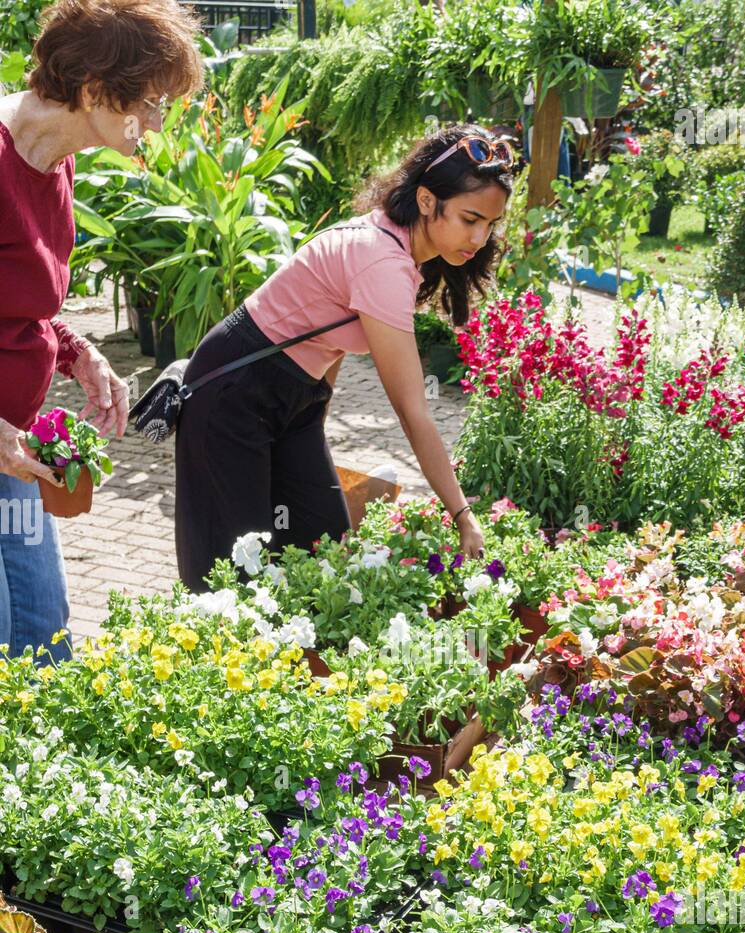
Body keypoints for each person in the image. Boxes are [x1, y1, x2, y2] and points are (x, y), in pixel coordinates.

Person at [174, 124, 515, 590]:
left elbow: (329, 337)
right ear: (426, 201)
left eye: (490, 224)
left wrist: (312, 418)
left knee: (321, 540)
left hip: (289, 399)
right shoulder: (382, 262)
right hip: (233, 393)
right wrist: (462, 515)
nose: (479, 238)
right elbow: (413, 412)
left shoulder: (397, 241)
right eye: (470, 219)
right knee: (235, 568)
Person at [0, 0, 203, 656]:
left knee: (43, 635)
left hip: (14, 452)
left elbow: (19, 302)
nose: (157, 121)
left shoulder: (56, 159)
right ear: (93, 91)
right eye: (149, 102)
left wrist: (76, 351)